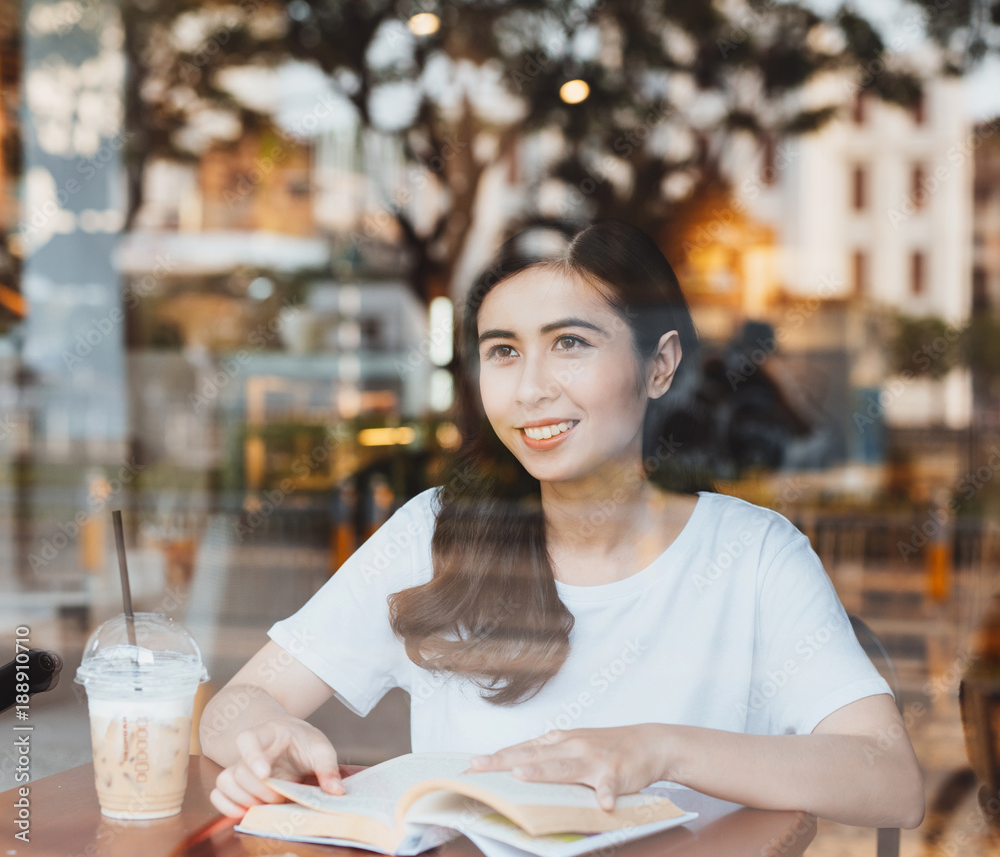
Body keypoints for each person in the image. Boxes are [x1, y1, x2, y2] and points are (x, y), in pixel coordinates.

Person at [201, 217, 925, 829]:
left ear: (660, 365)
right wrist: (264, 738)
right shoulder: (435, 535)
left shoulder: (753, 556)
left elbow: (890, 778)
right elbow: (235, 706)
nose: (531, 388)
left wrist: (657, 751)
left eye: (571, 343)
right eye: (503, 351)